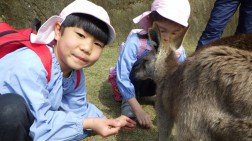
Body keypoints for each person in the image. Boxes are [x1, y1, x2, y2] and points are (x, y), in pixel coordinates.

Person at [0, 0, 136, 141]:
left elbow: (77, 109)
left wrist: (108, 120)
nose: (87, 48)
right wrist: (88, 123)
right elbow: (39, 123)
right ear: (58, 31)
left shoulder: (74, 74)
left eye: (97, 44)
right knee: (11, 111)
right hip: (9, 119)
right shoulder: (31, 64)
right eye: (80, 35)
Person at [115, 0, 190, 128]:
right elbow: (122, 75)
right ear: (151, 23)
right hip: (135, 81)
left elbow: (180, 78)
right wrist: (138, 109)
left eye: (174, 33)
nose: (167, 37)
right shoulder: (136, 42)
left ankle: (162, 100)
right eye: (162, 30)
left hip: (156, 88)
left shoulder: (177, 50)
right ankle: (129, 101)